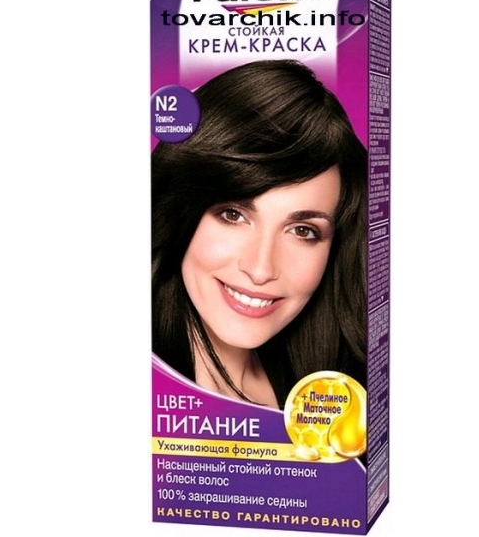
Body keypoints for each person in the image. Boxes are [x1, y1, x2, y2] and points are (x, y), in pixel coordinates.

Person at [152, 60, 367, 409]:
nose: (260, 269)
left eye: (302, 231)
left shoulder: (331, 398)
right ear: (181, 211)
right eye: (232, 215)